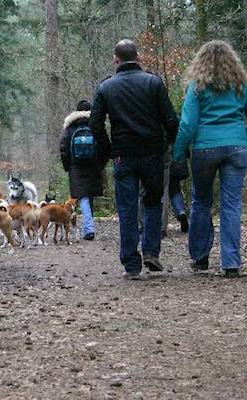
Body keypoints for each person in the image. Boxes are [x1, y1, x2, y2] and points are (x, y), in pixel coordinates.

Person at [90, 39, 179, 280]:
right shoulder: (153, 82)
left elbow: (95, 124)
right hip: (152, 153)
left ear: (115, 59)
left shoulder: (106, 87)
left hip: (123, 155)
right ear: (138, 57)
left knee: (127, 208)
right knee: (152, 202)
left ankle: (131, 263)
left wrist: (109, 149)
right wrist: (172, 144)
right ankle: (151, 251)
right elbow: (169, 118)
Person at [173, 40, 247, 278]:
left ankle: (200, 257)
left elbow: (187, 124)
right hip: (237, 147)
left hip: (205, 148)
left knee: (201, 202)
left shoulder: (198, 86)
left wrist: (178, 154)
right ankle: (231, 263)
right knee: (232, 205)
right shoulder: (240, 85)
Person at [59, 100, 104, 240]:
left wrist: (67, 165)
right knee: (88, 196)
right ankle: (89, 228)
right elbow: (104, 145)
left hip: (76, 167)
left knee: (83, 196)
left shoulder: (70, 127)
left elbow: (64, 148)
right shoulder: (95, 125)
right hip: (93, 166)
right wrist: (101, 163)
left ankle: (89, 229)